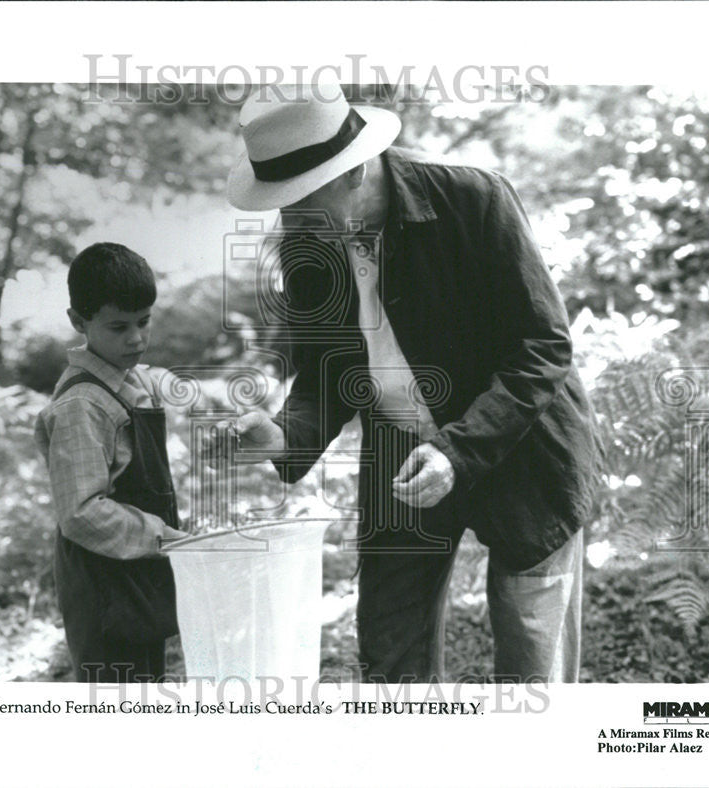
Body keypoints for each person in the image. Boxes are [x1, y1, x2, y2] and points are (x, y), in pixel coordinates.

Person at [207, 84, 600, 683]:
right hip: (399, 456)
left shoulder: (475, 198)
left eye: (302, 201)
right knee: (389, 655)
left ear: (355, 171)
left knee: (530, 658)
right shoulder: (305, 244)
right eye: (283, 203)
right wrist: (280, 436)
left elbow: (542, 345)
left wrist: (456, 451)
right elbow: (327, 374)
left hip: (523, 447)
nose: (292, 220)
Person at [35, 242, 187, 682]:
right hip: (102, 586)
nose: (136, 338)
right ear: (78, 322)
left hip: (137, 574)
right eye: (118, 327)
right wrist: (163, 537)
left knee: (146, 683)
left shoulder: (131, 383)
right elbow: (80, 513)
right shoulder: (82, 405)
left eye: (144, 322)